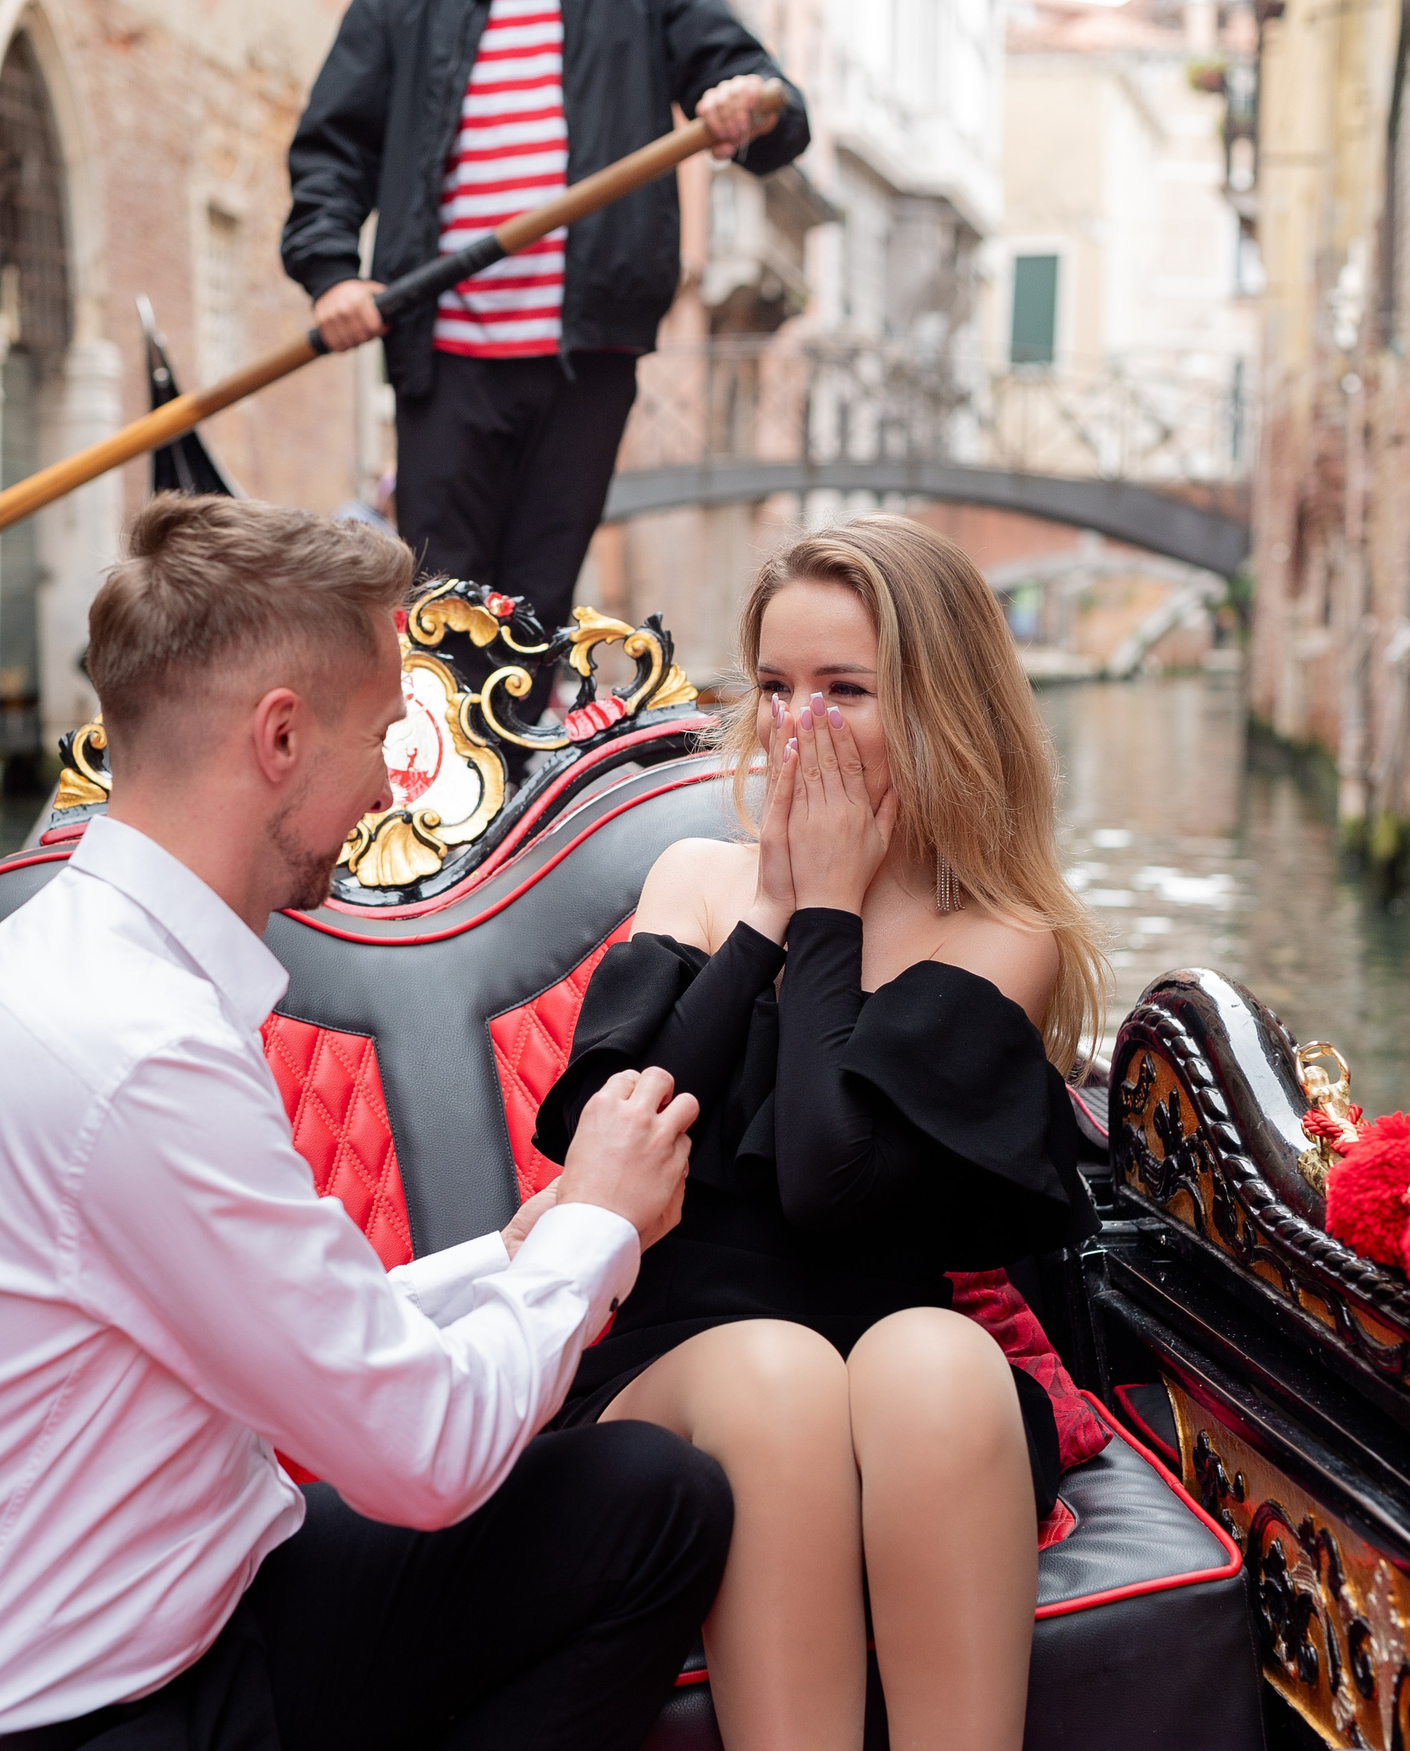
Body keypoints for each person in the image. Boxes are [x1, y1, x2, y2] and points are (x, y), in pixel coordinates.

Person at [0, 493, 731, 1751]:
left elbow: (268, 1320)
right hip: (38, 1718)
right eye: (384, 732)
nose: (392, 780)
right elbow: (426, 1453)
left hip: (143, 1616)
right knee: (652, 1514)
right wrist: (601, 1228)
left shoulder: (78, 974)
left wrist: (510, 1251)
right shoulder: (128, 1055)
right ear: (280, 737)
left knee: (646, 1498)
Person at [531, 516, 1106, 1751]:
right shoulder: (694, 873)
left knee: (937, 1354)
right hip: (676, 1364)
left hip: (899, 1375)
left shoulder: (1001, 939)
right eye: (779, 688)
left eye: (845, 690)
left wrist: (831, 917)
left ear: (938, 707)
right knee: (776, 1371)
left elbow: (829, 1181)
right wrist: (776, 916)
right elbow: (616, 1145)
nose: (799, 726)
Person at [282, 0, 810, 637]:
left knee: (537, 610)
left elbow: (771, 108)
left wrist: (746, 103)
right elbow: (333, 142)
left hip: (588, 355)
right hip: (442, 352)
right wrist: (332, 272)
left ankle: (517, 735)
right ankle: (448, 736)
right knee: (443, 613)